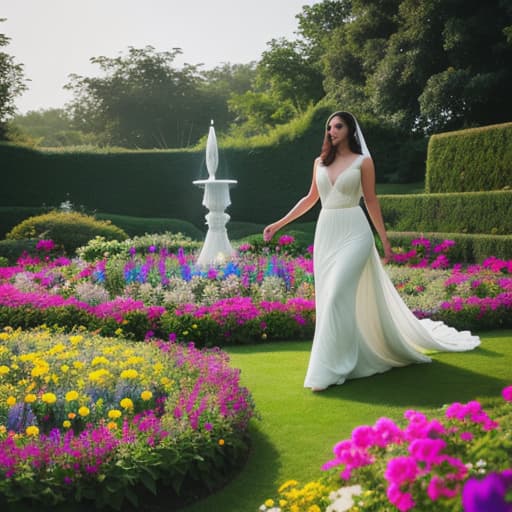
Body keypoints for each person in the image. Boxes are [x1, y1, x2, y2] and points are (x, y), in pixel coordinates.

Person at [263, 111, 480, 392]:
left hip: (355, 232)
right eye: (329, 127)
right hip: (327, 233)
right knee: (329, 296)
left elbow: (371, 201)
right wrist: (278, 225)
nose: (332, 131)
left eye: (338, 126)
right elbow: (309, 199)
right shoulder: (320, 162)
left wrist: (384, 241)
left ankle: (331, 367)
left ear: (350, 130)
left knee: (338, 293)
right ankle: (344, 358)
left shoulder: (363, 161)